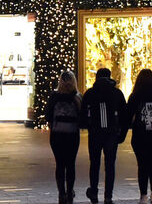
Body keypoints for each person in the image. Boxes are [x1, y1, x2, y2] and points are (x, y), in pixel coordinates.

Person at [123, 69, 152, 204]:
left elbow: (127, 115)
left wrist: (123, 132)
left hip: (140, 136)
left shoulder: (135, 97)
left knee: (142, 165)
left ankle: (143, 195)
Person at [82, 67, 126, 204]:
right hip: (111, 134)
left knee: (94, 164)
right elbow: (124, 115)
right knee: (110, 165)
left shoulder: (90, 93)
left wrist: (88, 126)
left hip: (95, 134)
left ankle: (94, 192)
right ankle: (108, 196)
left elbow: (83, 115)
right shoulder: (117, 93)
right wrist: (122, 134)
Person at [44, 70, 81, 204]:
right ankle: (70, 191)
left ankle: (61, 193)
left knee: (60, 164)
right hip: (72, 135)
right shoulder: (77, 97)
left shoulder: (54, 96)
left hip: (57, 135)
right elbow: (82, 118)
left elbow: (47, 114)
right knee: (70, 164)